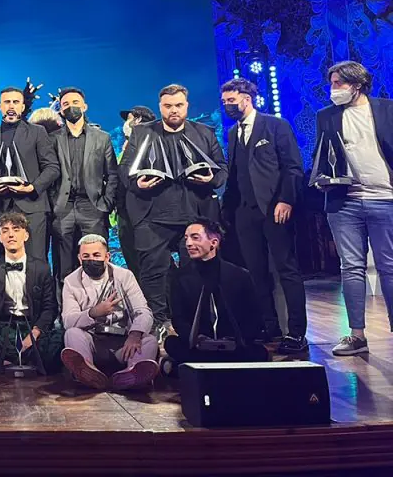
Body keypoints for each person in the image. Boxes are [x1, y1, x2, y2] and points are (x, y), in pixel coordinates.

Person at [119, 84, 227, 335]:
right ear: (160, 107)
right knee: (152, 275)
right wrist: (137, 183)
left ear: (187, 106)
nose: (173, 110)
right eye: (168, 106)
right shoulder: (142, 133)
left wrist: (211, 178)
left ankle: (199, 328)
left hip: (195, 217)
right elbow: (124, 170)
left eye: (178, 105)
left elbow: (222, 169)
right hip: (152, 217)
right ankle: (157, 326)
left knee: (196, 275)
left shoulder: (204, 133)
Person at [221, 77, 307, 353]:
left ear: (247, 99)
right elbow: (235, 174)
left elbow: (292, 167)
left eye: (231, 101)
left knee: (286, 269)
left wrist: (286, 200)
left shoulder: (275, 125)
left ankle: (296, 333)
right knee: (256, 272)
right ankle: (270, 328)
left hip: (274, 209)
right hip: (245, 212)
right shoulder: (233, 134)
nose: (227, 106)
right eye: (224, 102)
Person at [315, 61, 393, 356]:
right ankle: (357, 335)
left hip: (385, 198)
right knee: (350, 268)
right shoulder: (327, 116)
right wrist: (322, 179)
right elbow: (322, 155)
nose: (333, 89)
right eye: (332, 83)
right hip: (344, 202)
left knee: (389, 267)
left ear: (357, 85)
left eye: (339, 83)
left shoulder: (386, 109)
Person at [163, 219, 268, 368]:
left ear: (214, 242)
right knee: (172, 343)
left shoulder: (239, 275)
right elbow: (179, 318)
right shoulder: (180, 278)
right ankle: (222, 367)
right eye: (186, 239)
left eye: (195, 237)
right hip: (199, 346)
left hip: (233, 345)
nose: (188, 244)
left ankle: (187, 367)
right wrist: (195, 338)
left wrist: (238, 339)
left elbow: (254, 315)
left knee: (259, 352)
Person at [60, 234, 158, 390]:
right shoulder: (71, 281)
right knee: (72, 333)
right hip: (93, 341)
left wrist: (135, 335)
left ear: (107, 257)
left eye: (96, 255)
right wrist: (93, 312)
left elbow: (143, 311)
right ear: (79, 258)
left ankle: (132, 375)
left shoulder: (124, 276)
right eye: (86, 256)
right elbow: (68, 320)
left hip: (124, 343)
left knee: (149, 340)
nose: (91, 259)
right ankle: (88, 372)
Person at [0, 212, 62, 372]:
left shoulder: (42, 267)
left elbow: (50, 307)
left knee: (60, 338)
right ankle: (25, 358)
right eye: (5, 231)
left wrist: (35, 333)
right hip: (3, 326)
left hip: (32, 325)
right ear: (0, 238)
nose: (11, 234)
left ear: (26, 235)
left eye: (16, 229)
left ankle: (8, 359)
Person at [49, 87, 119, 283]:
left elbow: (112, 174)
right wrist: (53, 204)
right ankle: (65, 303)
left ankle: (100, 301)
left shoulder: (102, 137)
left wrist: (105, 204)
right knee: (63, 266)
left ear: (85, 106)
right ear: (61, 110)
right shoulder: (52, 138)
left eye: (75, 103)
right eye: (65, 104)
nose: (71, 107)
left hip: (93, 206)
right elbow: (48, 172)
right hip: (63, 208)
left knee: (95, 263)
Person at [0, 85, 59, 260]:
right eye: (7, 102)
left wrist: (32, 187)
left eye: (16, 102)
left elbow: (52, 167)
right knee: (3, 263)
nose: (11, 106)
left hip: (33, 207)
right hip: (1, 209)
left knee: (36, 261)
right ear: (0, 106)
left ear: (23, 106)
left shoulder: (37, 132)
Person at [116, 105, 156, 280]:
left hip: (143, 212)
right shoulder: (127, 147)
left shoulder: (151, 143)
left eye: (129, 118)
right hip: (125, 212)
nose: (126, 123)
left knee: (150, 263)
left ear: (138, 120)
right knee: (133, 262)